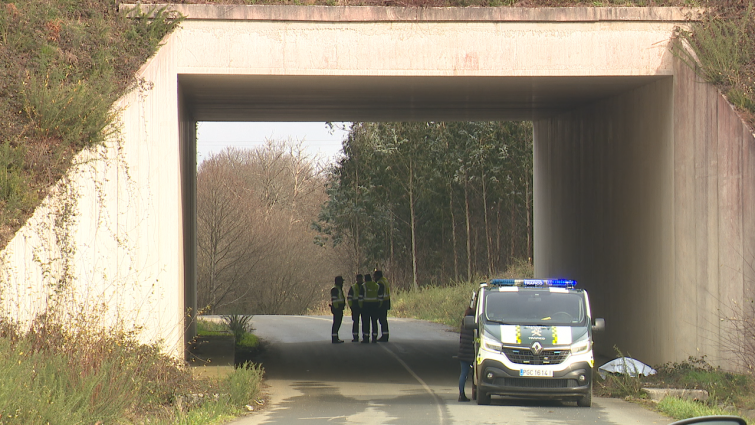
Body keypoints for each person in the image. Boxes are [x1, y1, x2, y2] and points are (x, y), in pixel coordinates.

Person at [458, 307, 475, 402]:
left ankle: (461, 393)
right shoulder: (473, 325)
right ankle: (474, 391)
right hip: (470, 352)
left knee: (463, 373)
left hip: (462, 351)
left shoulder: (463, 324)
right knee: (471, 373)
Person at [359, 273, 382, 343]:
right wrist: (379, 305)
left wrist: (361, 307)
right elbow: (380, 297)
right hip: (375, 306)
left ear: (365, 279)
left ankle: (366, 337)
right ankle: (374, 337)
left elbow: (360, 298)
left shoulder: (363, 286)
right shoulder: (377, 285)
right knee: (374, 322)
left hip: (366, 306)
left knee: (366, 322)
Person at [375, 270, 391, 342]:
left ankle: (384, 336)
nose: (374, 278)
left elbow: (379, 294)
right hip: (386, 302)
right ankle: (385, 335)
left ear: (378, 276)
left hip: (382, 303)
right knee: (384, 319)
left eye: (375, 276)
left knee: (382, 320)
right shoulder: (385, 280)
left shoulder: (380, 283)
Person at [347, 274, 364, 342]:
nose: (360, 280)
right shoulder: (353, 287)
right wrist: (351, 306)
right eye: (358, 279)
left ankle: (365, 336)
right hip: (355, 306)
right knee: (355, 322)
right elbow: (349, 297)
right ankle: (355, 336)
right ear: (356, 279)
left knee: (364, 322)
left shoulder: (364, 286)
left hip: (363, 306)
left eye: (361, 279)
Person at [330, 276, 346, 343]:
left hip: (339, 308)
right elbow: (334, 300)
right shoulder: (335, 289)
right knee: (336, 323)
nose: (342, 282)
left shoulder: (339, 288)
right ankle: (334, 338)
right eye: (341, 281)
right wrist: (337, 308)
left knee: (338, 323)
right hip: (337, 309)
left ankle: (336, 337)